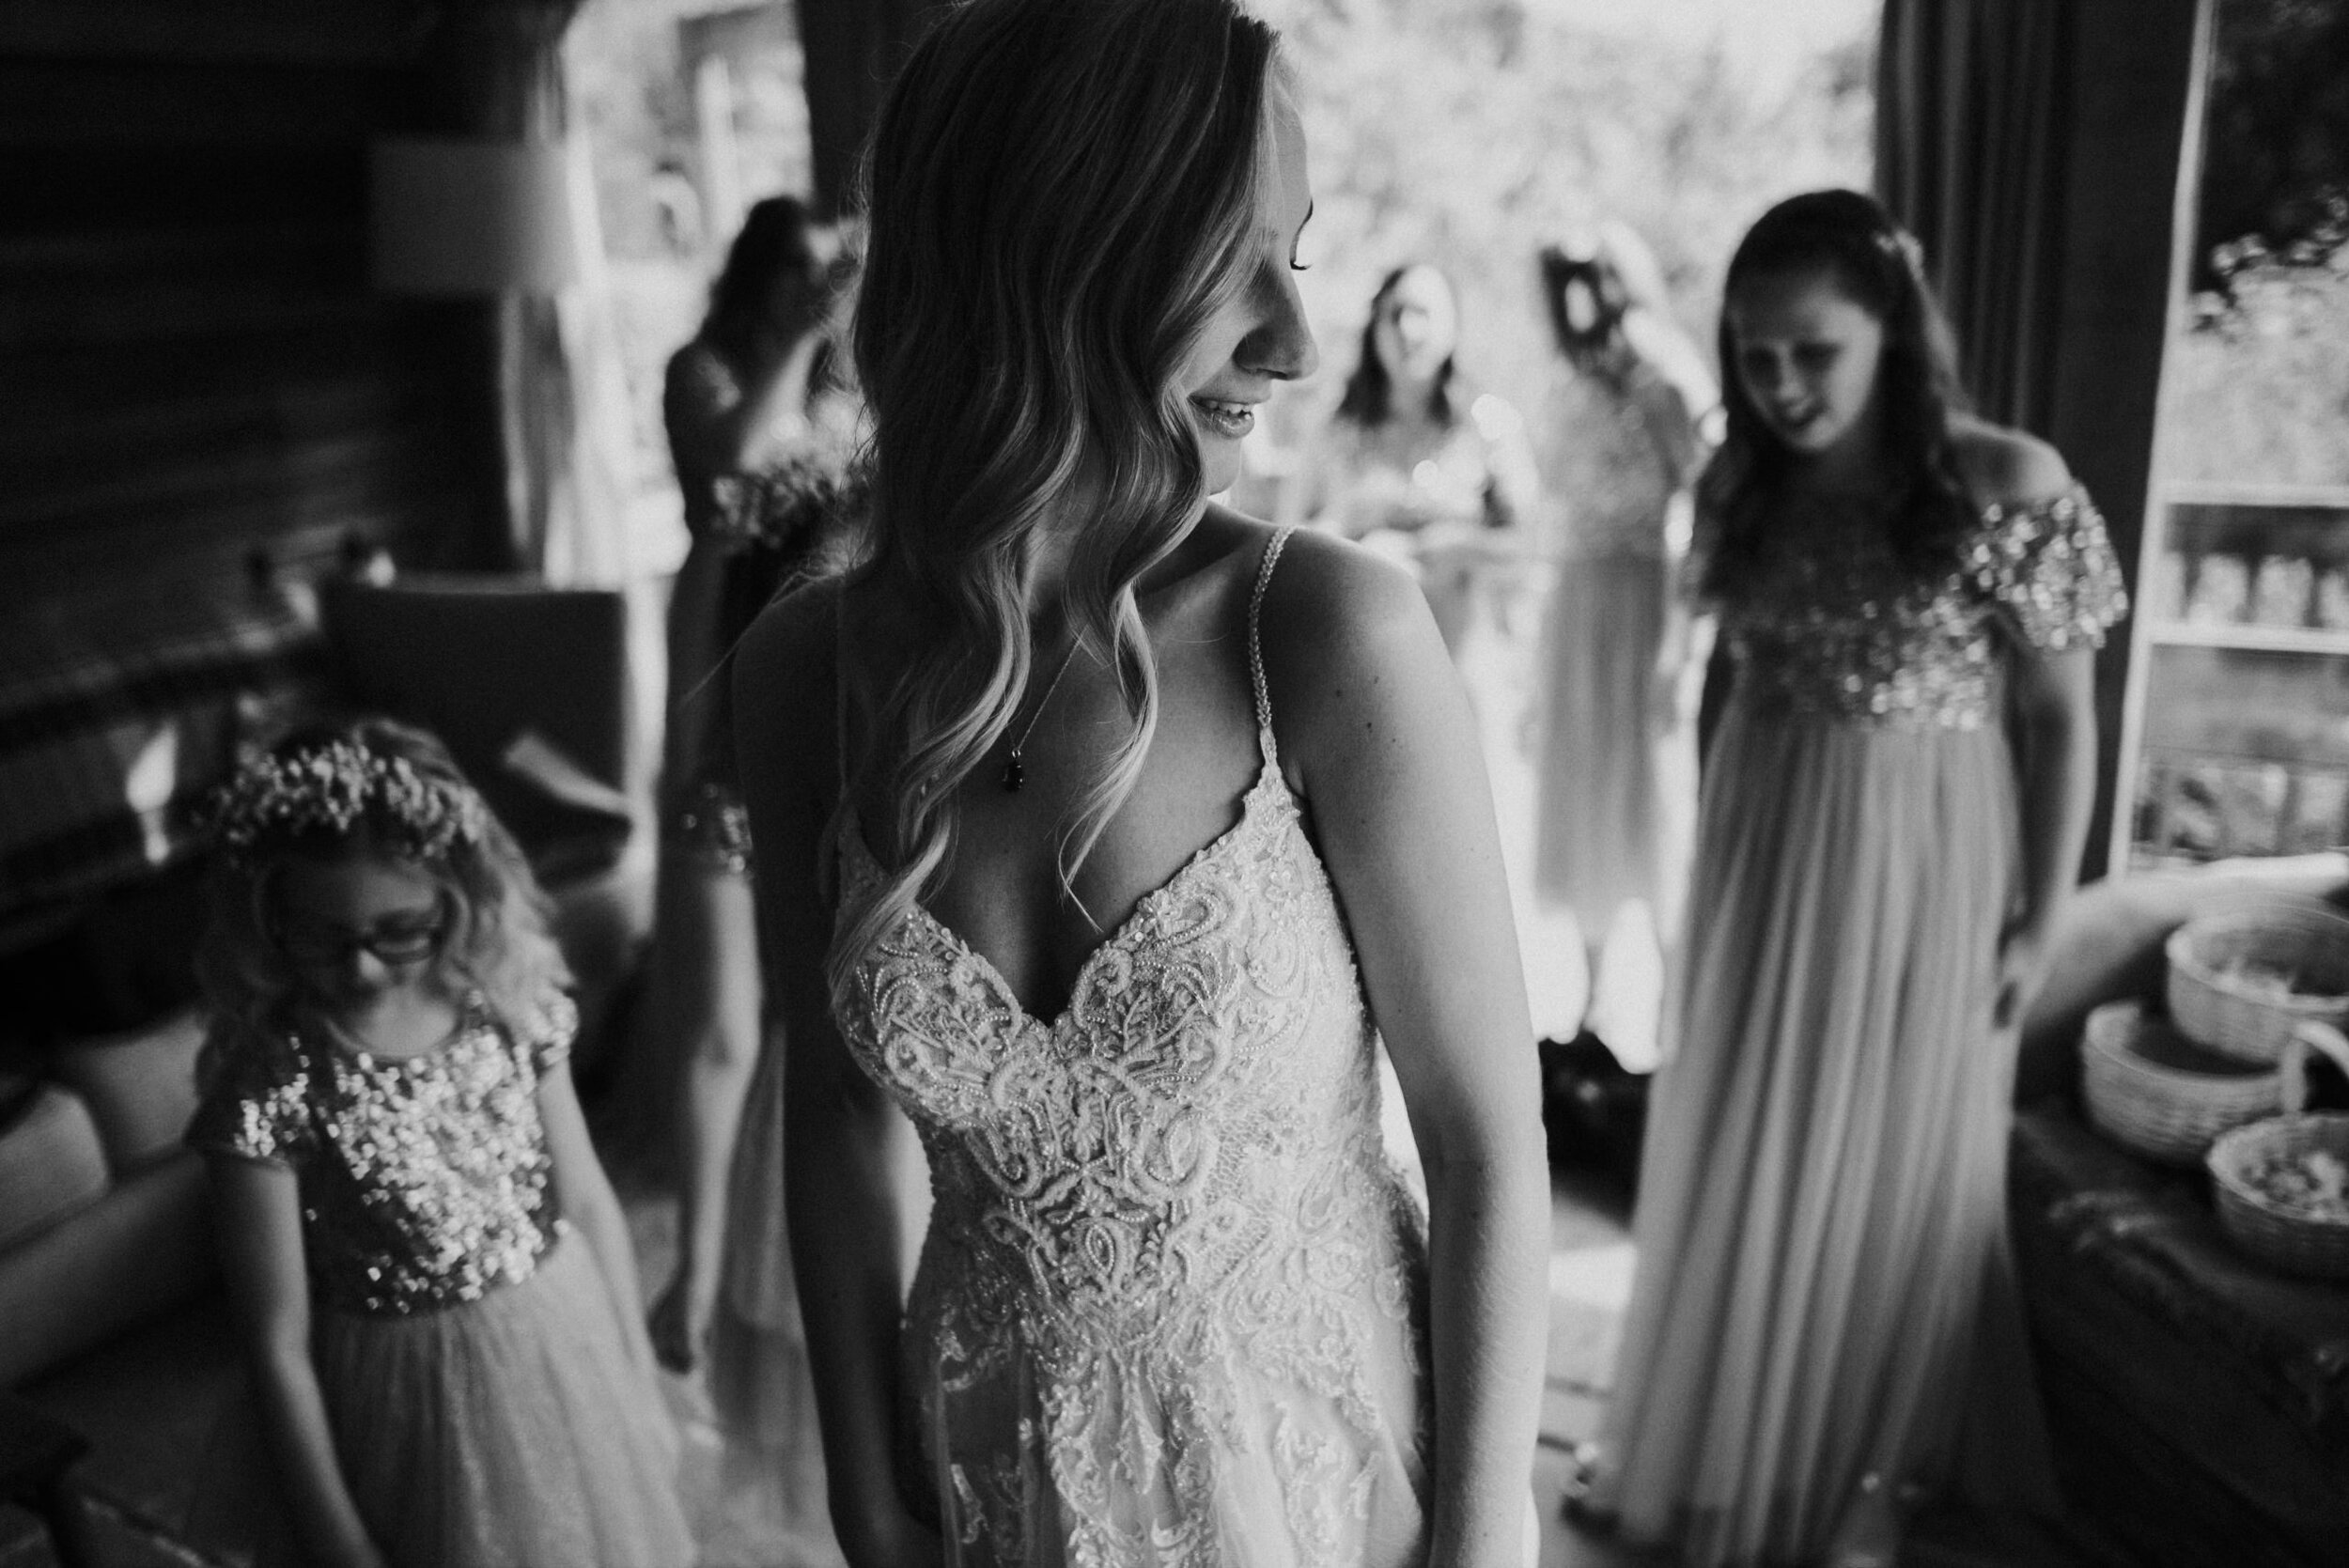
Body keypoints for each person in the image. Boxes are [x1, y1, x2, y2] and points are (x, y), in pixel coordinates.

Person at [728, 2, 1551, 1565]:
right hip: (994, 1474)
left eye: (1295, 257)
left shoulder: (1323, 632)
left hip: (1323, 1479)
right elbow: (835, 1112)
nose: (1298, 342)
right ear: (1044, 256)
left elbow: (1485, 1130)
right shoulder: (802, 675)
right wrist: (860, 1485)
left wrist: (1480, 1538)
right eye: (1223, 259)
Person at [1581, 190, 2127, 1568]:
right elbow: (1722, 675)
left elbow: (2062, 720)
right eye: (1756, 354)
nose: (1778, 384)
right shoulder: (1742, 482)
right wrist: (1712, 851)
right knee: (1744, 1138)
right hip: (1767, 845)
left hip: (1925, 859)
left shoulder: (2007, 481)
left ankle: (1872, 1478)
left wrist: (2041, 918)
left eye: (1812, 352)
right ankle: (1708, 1443)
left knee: (1892, 1162)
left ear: (1893, 324)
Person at [187, 719, 693, 1568]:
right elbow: (274, 1340)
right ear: (267, 913)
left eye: (400, 930)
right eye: (321, 935)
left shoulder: (508, 1011)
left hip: (558, 1353)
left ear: (457, 894)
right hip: (398, 1407)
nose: (365, 969)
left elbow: (592, 1201)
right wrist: (340, 1539)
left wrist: (639, 1381)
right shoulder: (271, 1084)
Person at [650, 194, 864, 1566]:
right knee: (722, 1024)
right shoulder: (707, 370)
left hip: (833, 723)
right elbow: (728, 481)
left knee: (820, 1025)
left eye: (820, 271)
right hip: (727, 702)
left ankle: (803, 1274)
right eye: (784, 268)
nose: (806, 285)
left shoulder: (856, 391)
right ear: (750, 272)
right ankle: (694, 1269)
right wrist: (796, 332)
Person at [1527, 225, 1716, 1063]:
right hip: (1576, 598)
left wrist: (1681, 642)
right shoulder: (1571, 377)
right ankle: (1594, 1005)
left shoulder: (1661, 370)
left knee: (1653, 802)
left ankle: (1678, 1012)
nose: (1584, 294)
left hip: (1644, 600)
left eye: (1597, 277)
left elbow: (1707, 504)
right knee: (1584, 799)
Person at [1282, 263, 1541, 658]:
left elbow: (1527, 543)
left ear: (1454, 325)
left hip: (1464, 652)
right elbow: (1284, 551)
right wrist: (1350, 528)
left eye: (1424, 313)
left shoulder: (1489, 423)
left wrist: (1457, 546)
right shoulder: (1333, 426)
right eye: (1395, 313)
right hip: (1354, 652)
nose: (1408, 330)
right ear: (1374, 326)